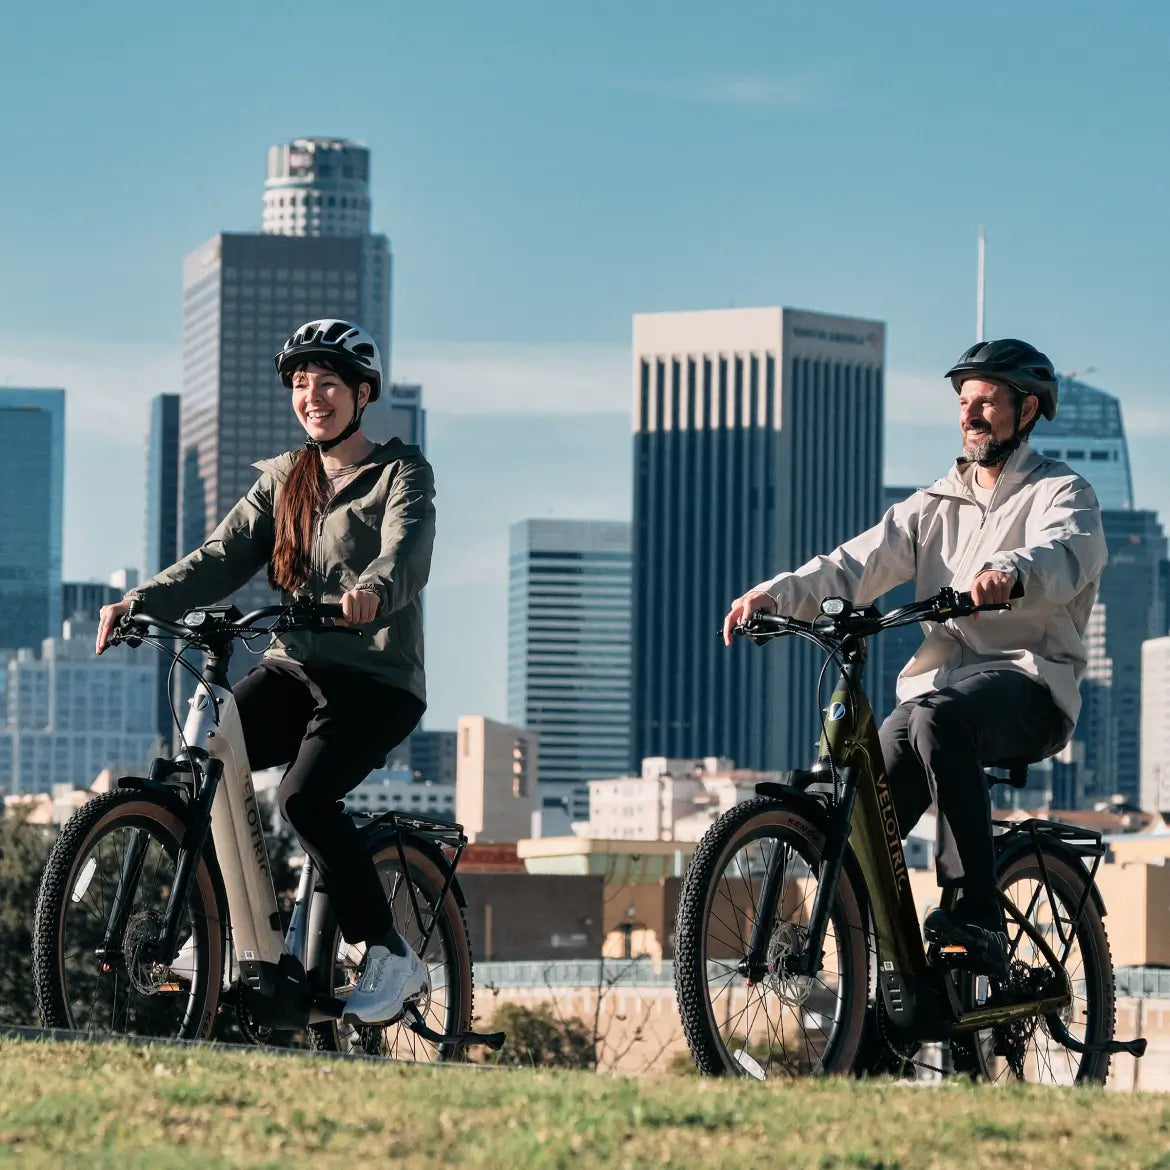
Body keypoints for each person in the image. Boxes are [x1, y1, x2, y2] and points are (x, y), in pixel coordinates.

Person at [722, 339, 1107, 975]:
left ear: (1029, 408)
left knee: (935, 720)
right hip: (939, 691)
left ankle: (974, 909)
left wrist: (1008, 571)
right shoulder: (935, 504)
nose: (971, 414)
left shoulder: (1061, 492)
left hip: (1028, 684)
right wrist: (776, 595)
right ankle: (877, 970)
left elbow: (1068, 554)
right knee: (872, 770)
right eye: (964, 402)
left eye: (988, 401)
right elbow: (855, 563)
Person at [96, 318, 436, 1025]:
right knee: (206, 767)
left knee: (304, 799)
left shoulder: (400, 473)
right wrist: (142, 601)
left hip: (375, 677)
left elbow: (405, 553)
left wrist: (372, 591)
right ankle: (222, 928)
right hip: (293, 667)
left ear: (363, 394)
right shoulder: (285, 480)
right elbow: (218, 558)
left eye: (330, 384)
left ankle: (389, 953)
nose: (313, 396)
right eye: (302, 385)